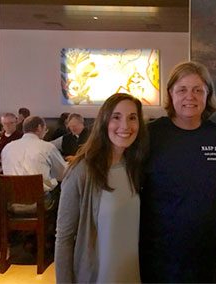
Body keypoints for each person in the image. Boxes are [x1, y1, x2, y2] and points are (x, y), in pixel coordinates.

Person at [140, 61, 216, 283]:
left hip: (205, 249)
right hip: (158, 251)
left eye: (197, 90)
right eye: (182, 89)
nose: (189, 96)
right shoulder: (150, 135)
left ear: (207, 95)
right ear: (170, 94)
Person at [55, 93, 148, 283]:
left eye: (132, 118)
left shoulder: (134, 166)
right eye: (116, 117)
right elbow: (64, 238)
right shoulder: (82, 171)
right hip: (97, 278)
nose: (125, 126)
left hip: (131, 275)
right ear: (104, 121)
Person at [1, 116, 66, 205]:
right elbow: (62, 174)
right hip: (38, 202)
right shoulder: (47, 147)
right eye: (45, 129)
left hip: (10, 202)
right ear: (39, 127)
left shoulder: (7, 148)